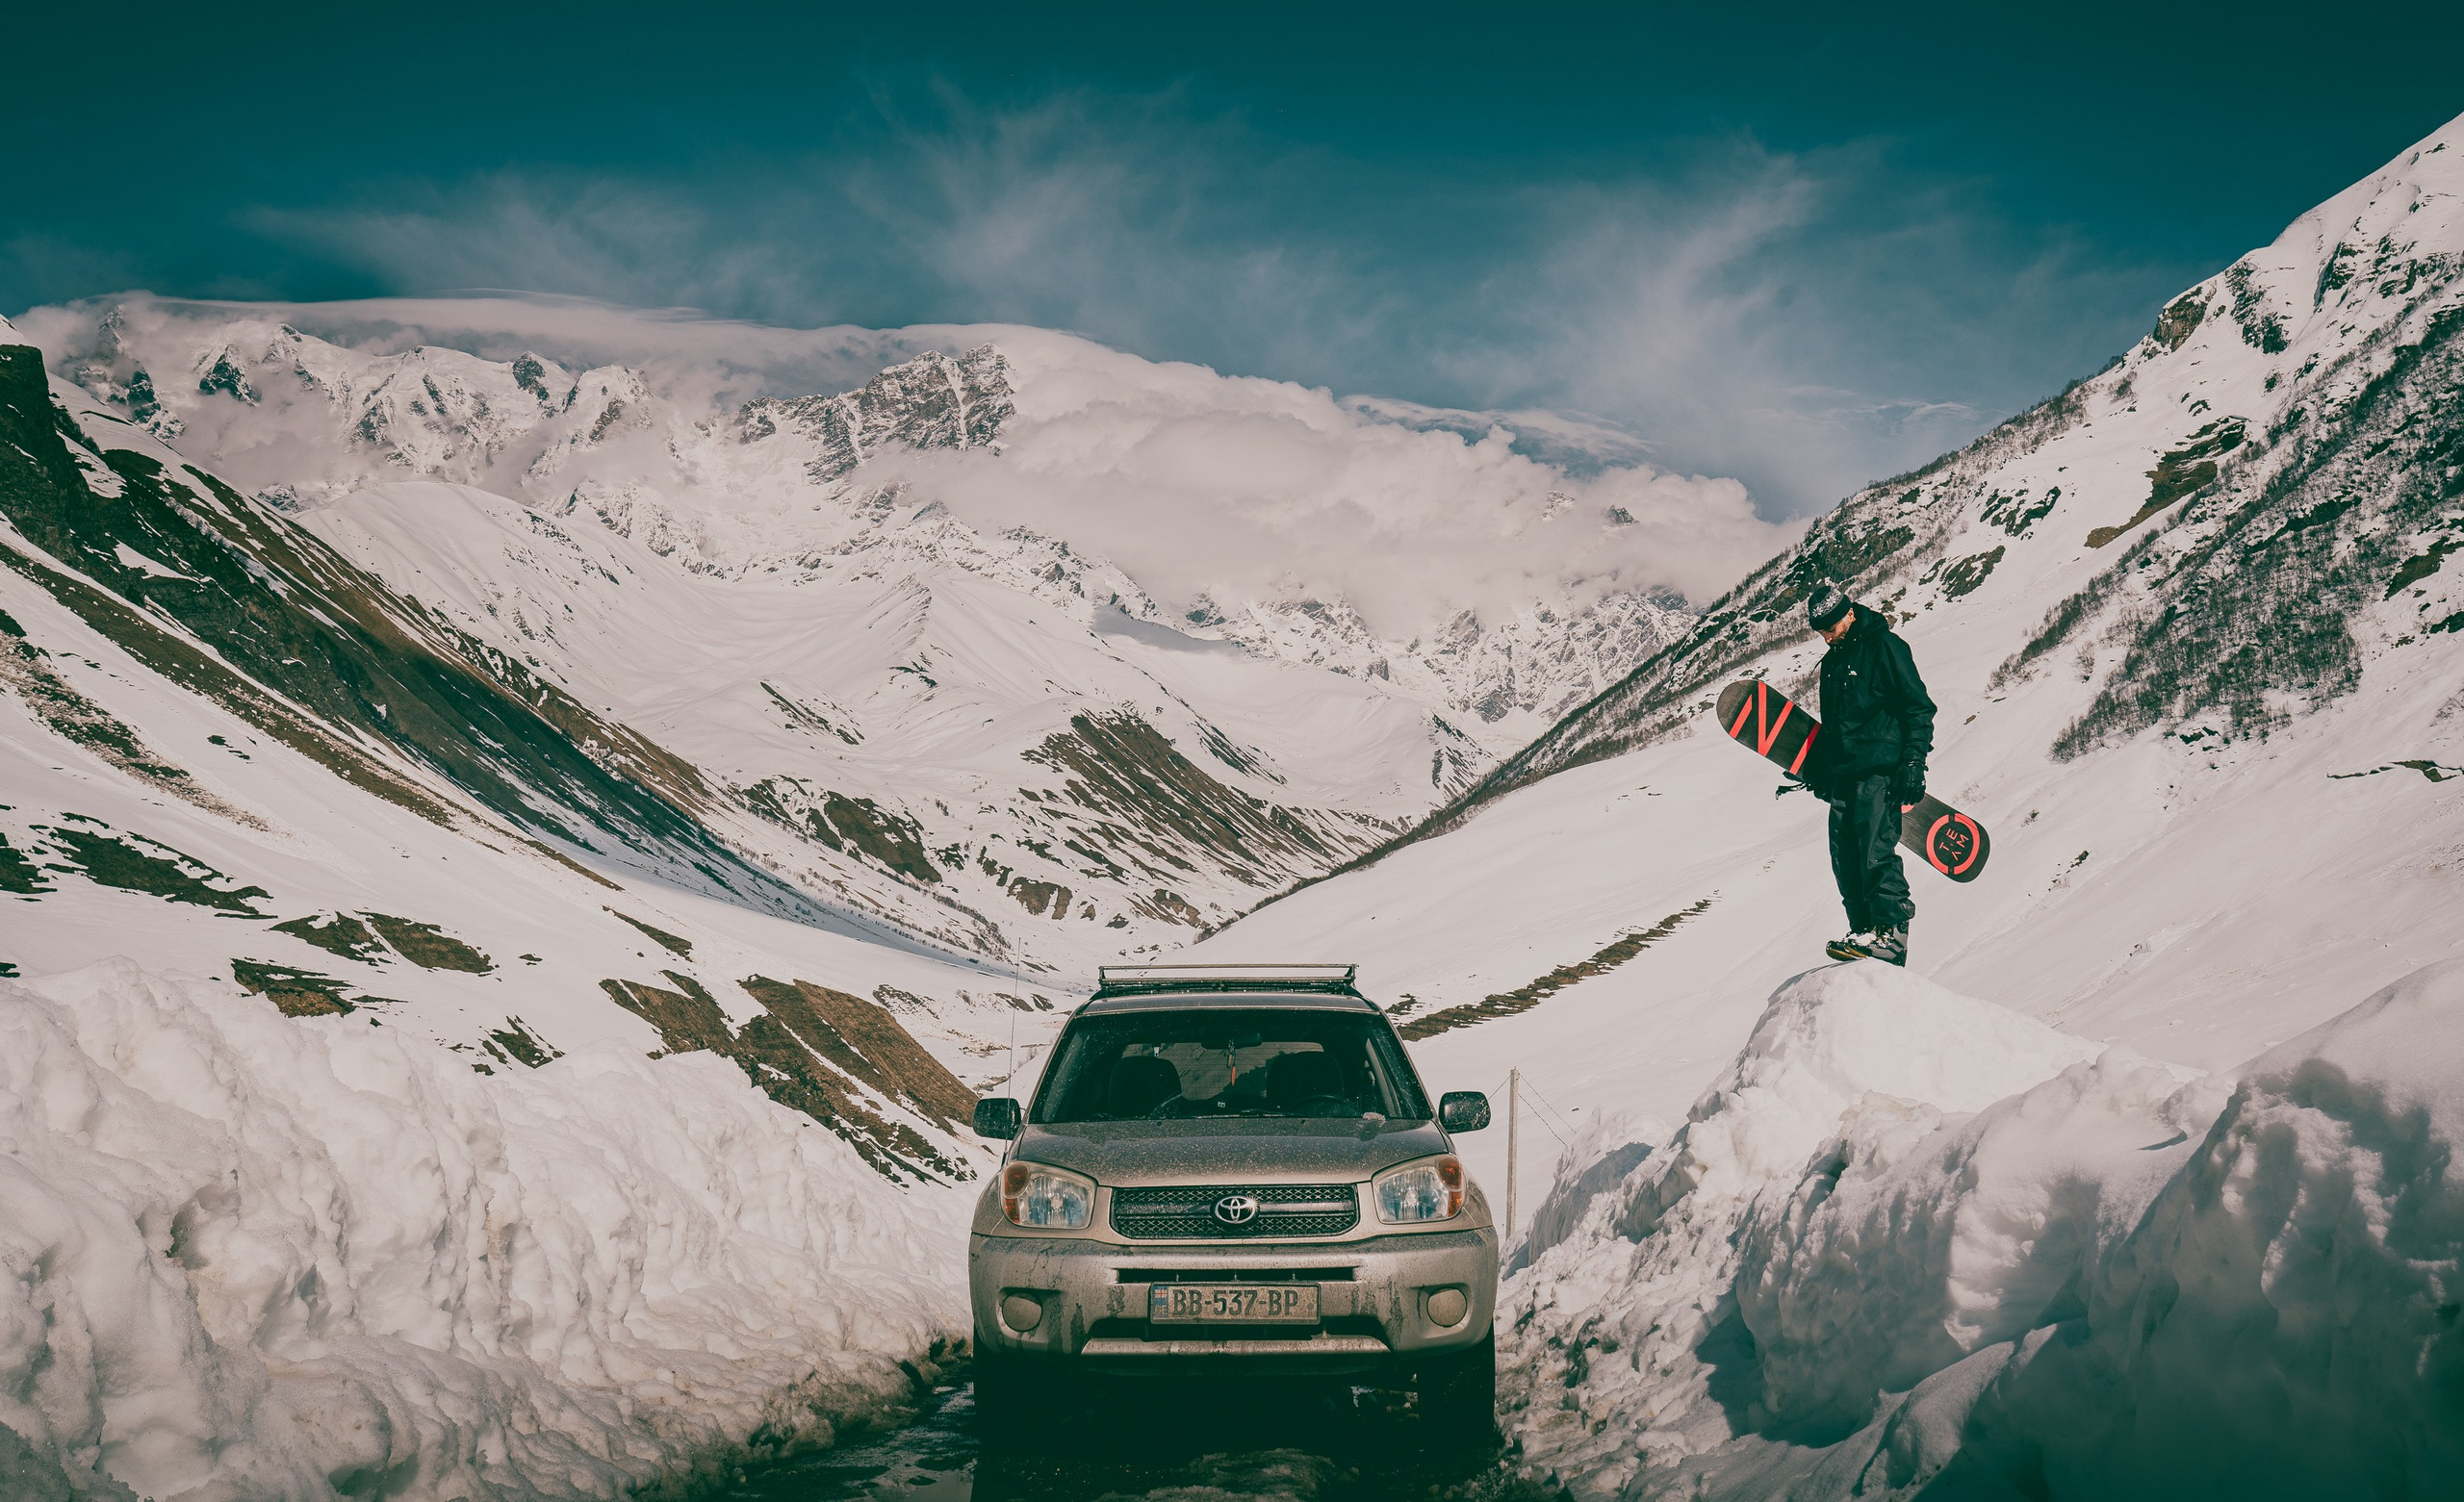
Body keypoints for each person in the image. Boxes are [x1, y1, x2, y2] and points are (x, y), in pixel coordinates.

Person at [1802, 583, 1935, 966]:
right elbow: (1834, 727)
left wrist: (1913, 763)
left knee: (1876, 851)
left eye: (1830, 627)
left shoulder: (1885, 647)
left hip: (1880, 771)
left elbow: (1918, 709)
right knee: (1845, 856)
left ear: (1848, 613)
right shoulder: (1832, 662)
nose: (1826, 637)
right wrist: (1824, 772)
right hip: (1844, 775)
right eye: (1820, 632)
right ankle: (1862, 930)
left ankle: (1891, 934)